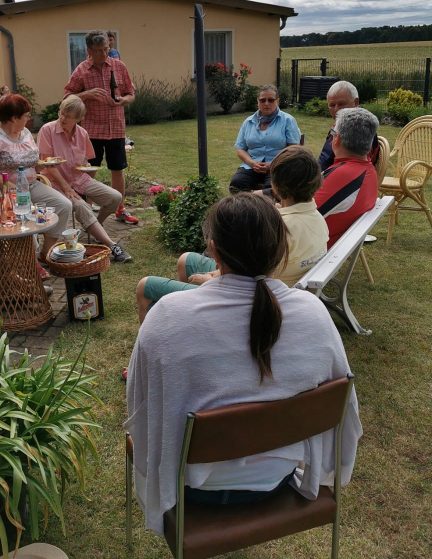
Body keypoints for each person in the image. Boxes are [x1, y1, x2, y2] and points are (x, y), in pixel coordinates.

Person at [126, 194, 362, 536]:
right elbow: (345, 413)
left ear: (213, 251)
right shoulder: (314, 314)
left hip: (193, 489)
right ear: (281, 252)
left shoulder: (168, 315)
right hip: (276, 482)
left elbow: (139, 407)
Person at [136, 146, 328, 322]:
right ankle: (195, 318)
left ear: (275, 185)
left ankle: (206, 318)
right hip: (282, 286)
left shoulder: (278, 228)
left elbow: (248, 276)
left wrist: (210, 279)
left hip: (254, 299)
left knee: (145, 287)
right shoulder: (317, 219)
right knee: (185, 260)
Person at [0, 93, 72, 271]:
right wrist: (14, 188)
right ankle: (31, 262)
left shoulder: (25, 132)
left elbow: (32, 162)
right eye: (26, 116)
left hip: (32, 184)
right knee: (26, 212)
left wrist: (45, 164)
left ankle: (46, 252)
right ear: (14, 118)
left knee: (64, 205)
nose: (29, 120)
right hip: (7, 191)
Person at [36, 95, 132, 263]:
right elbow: (49, 165)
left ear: (79, 119)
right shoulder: (47, 130)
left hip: (79, 179)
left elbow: (86, 163)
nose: (62, 118)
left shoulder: (82, 133)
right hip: (55, 184)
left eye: (68, 116)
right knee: (81, 206)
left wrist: (86, 177)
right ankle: (112, 245)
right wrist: (67, 189)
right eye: (62, 113)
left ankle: (94, 225)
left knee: (115, 197)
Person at [64, 29, 138, 224]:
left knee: (118, 170)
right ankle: (86, 212)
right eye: (99, 50)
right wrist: (86, 94)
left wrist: (123, 100)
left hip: (115, 128)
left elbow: (131, 93)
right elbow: (67, 97)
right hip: (91, 131)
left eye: (106, 49)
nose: (104, 54)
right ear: (89, 50)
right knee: (89, 172)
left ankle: (120, 208)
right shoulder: (81, 70)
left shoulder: (119, 67)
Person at [314, 106, 379, 247]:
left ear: (337, 139)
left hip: (309, 253)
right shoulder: (367, 170)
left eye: (333, 133)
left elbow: (301, 216)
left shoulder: (343, 175)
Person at [229, 85, 301, 195]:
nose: (266, 103)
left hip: (278, 166)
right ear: (258, 101)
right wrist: (252, 163)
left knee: (274, 188)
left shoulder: (287, 120)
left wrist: (272, 164)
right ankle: (252, 207)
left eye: (271, 100)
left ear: (277, 101)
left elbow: (293, 149)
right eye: (262, 100)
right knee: (236, 184)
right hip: (252, 165)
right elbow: (240, 149)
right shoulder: (248, 122)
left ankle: (261, 207)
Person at [318, 80, 379, 170]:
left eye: (341, 104)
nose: (336, 109)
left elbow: (355, 170)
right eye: (332, 105)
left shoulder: (361, 130)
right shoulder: (340, 125)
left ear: (356, 102)